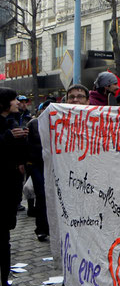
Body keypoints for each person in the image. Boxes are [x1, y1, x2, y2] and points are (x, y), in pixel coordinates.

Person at [50, 85, 90, 286]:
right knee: (68, 241)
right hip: (66, 193)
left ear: (87, 101)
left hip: (90, 194)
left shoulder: (98, 121)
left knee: (89, 243)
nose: (75, 100)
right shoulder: (57, 122)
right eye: (71, 97)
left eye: (80, 97)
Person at [0, 88, 28, 286]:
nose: (17, 102)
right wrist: (8, 137)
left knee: (5, 236)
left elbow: (19, 153)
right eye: (14, 99)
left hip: (10, 187)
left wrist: (23, 138)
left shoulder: (14, 120)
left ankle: (4, 280)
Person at [25, 98, 58, 242]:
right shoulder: (33, 124)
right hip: (36, 165)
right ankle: (41, 229)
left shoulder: (57, 124)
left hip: (52, 165)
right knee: (42, 195)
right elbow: (27, 146)